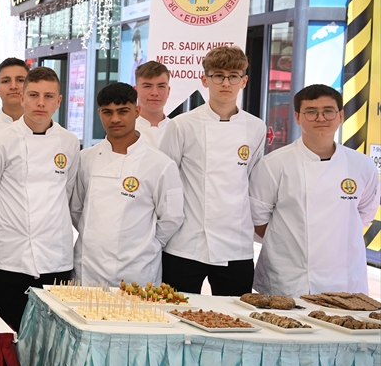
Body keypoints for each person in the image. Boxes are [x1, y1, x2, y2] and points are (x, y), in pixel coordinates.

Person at [0, 66, 79, 330]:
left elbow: (67, 191)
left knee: (54, 335)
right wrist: (0, 235)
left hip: (56, 255)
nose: (40, 103)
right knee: (10, 331)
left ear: (59, 101)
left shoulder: (69, 142)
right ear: (22, 98)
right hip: (10, 257)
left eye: (48, 96)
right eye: (33, 95)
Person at [250, 84, 379, 296]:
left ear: (340, 116)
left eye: (328, 111)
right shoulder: (275, 164)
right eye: (311, 111)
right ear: (298, 117)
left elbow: (364, 216)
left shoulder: (361, 165)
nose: (321, 118)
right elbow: (258, 219)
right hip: (290, 277)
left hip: (344, 278)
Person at [159, 46, 266, 296]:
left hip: (235, 242)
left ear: (244, 81)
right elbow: (166, 182)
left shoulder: (256, 127)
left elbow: (251, 179)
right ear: (205, 79)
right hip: (186, 242)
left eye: (233, 76)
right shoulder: (182, 125)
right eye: (218, 75)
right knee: (175, 315)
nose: (225, 82)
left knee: (236, 319)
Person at [70, 83, 184, 288]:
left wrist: (144, 244)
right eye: (108, 112)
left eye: (123, 111)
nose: (115, 119)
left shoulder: (160, 164)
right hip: (89, 268)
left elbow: (172, 217)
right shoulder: (86, 158)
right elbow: (77, 209)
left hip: (138, 270)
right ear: (99, 113)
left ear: (137, 111)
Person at [134, 61, 172, 149]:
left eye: (161, 86)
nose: (154, 93)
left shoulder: (178, 130)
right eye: (147, 86)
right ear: (135, 91)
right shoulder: (125, 130)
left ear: (168, 91)